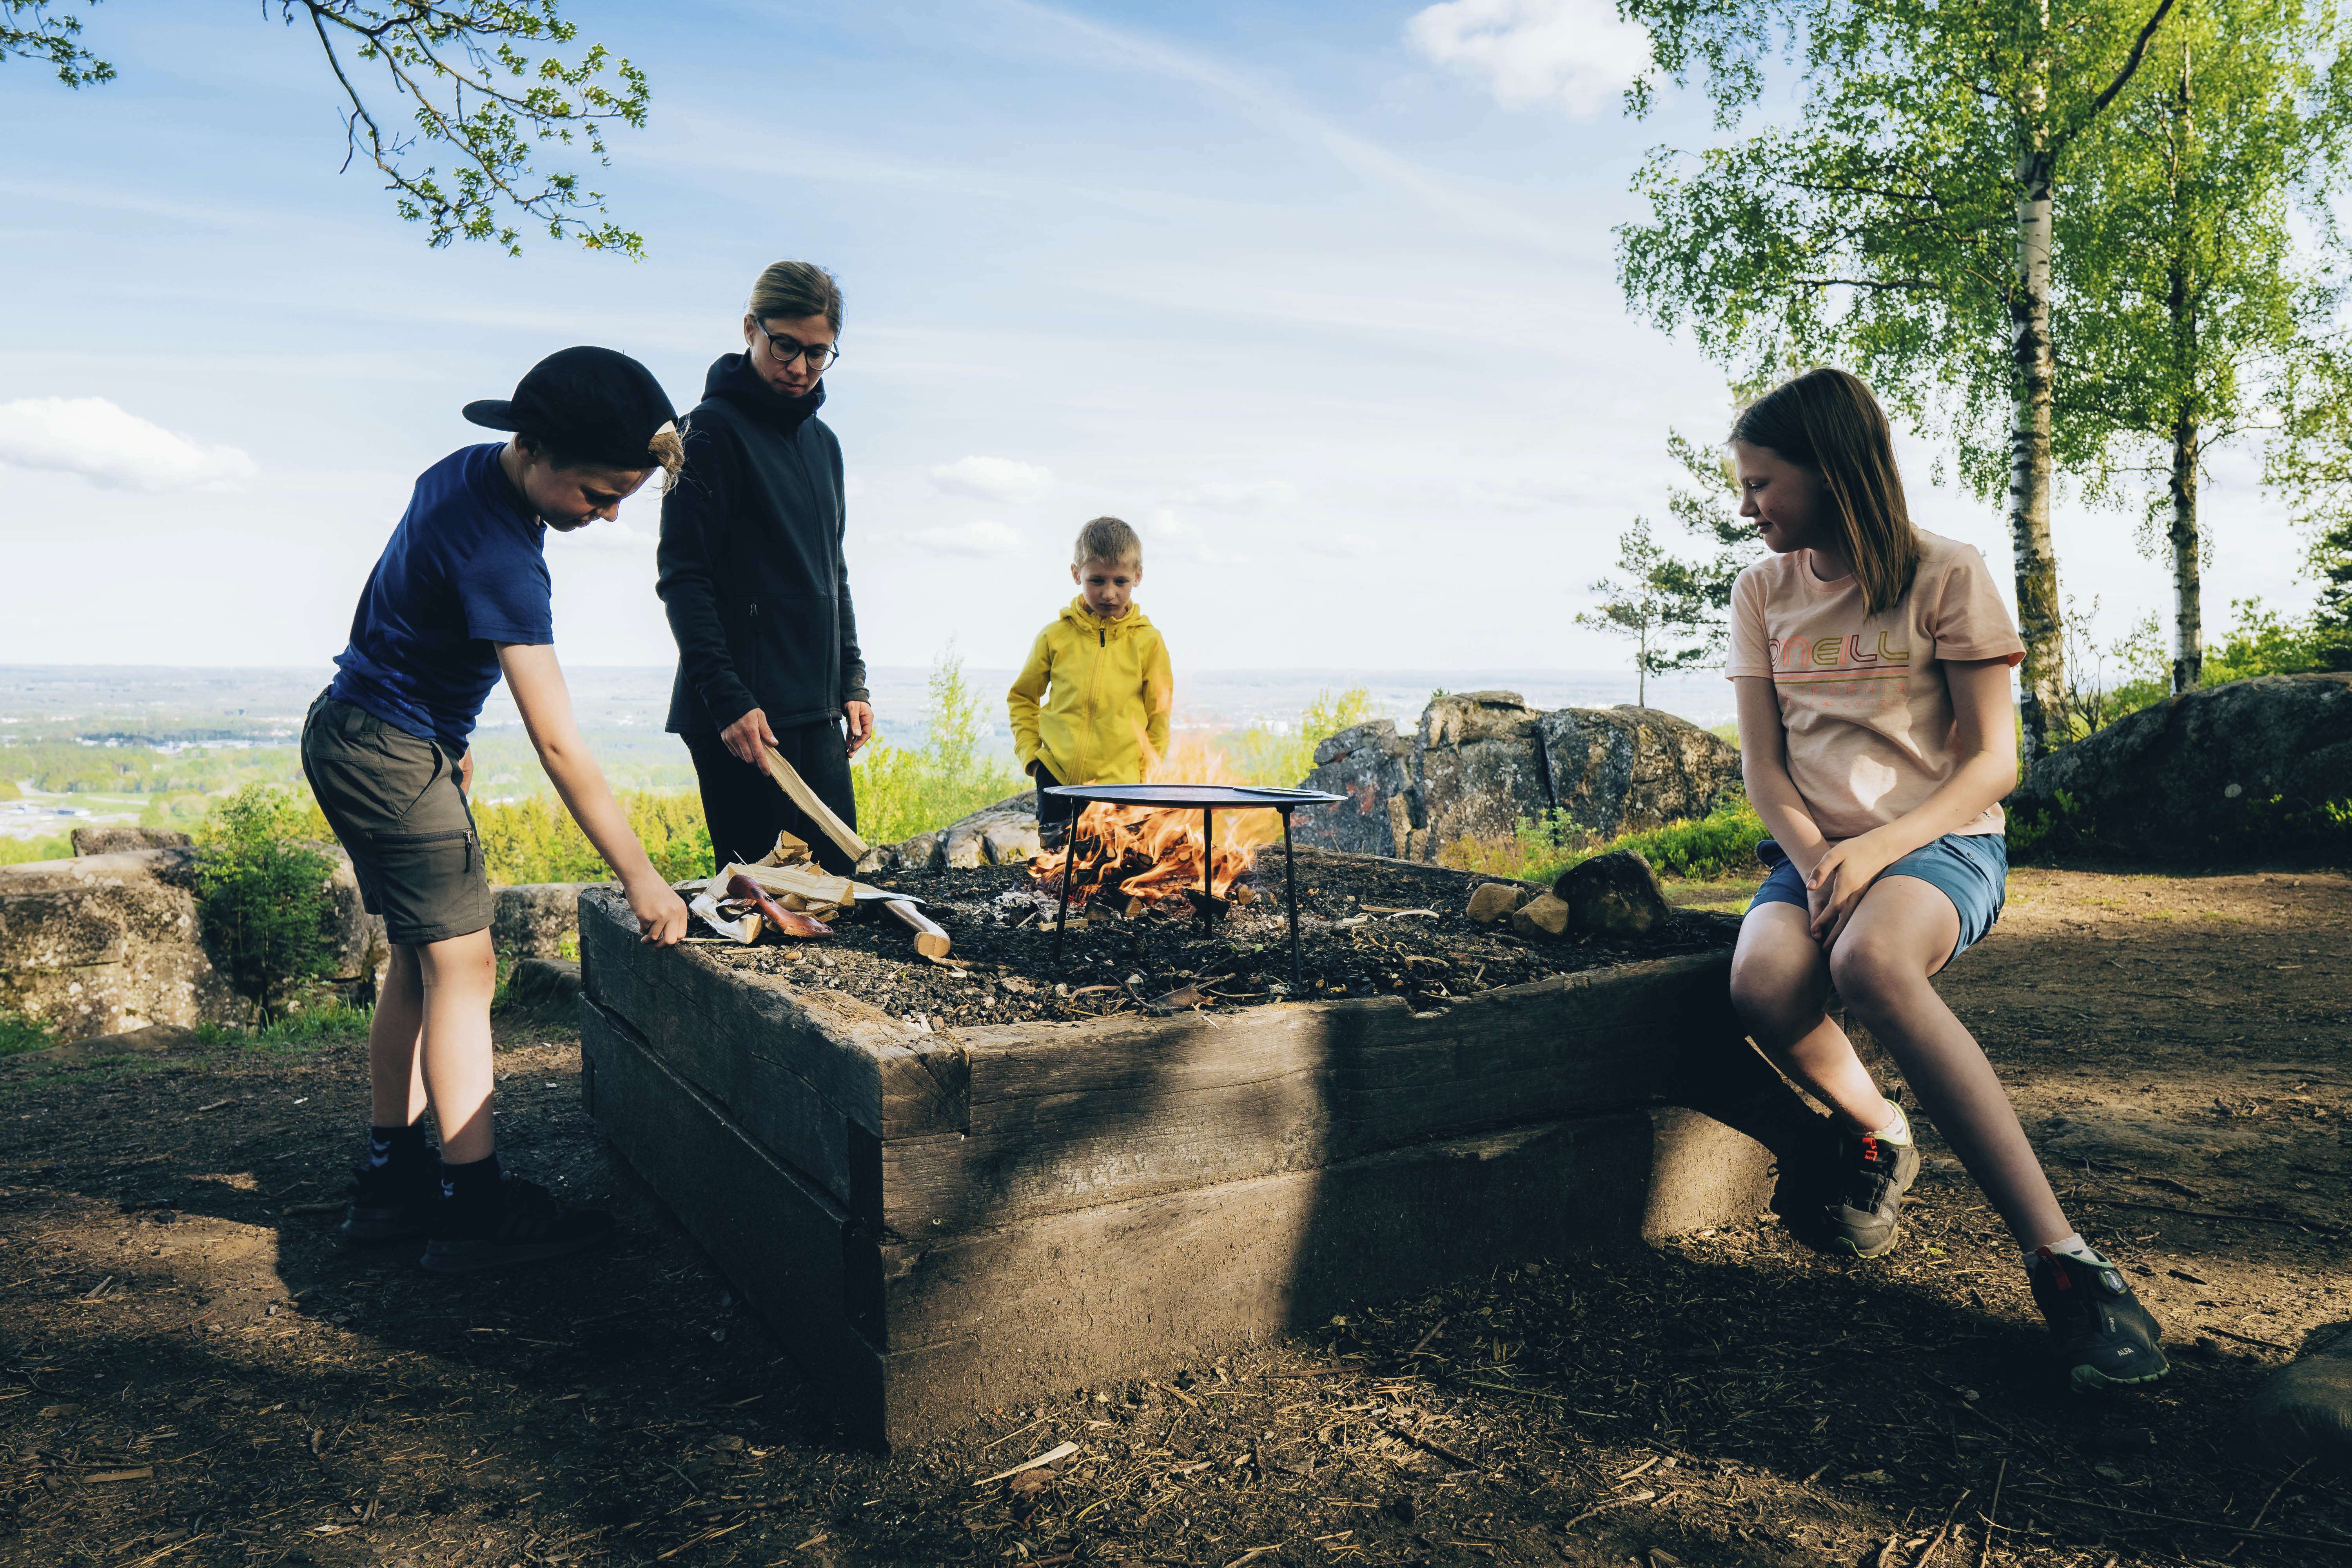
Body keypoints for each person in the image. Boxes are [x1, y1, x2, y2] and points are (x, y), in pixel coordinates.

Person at [1722, 367, 2169, 1390]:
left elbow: (1992, 761)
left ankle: (2068, 1265)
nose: (1746, 509)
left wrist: (1877, 851)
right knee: (1761, 983)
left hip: (1940, 842)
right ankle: (1879, 1128)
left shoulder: (1948, 574)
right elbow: (1763, 767)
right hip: (1813, 851)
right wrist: (1813, 857)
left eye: (1761, 485)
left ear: (1831, 474)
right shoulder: (1762, 592)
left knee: (1876, 962)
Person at [304, 345, 692, 1275]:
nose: (602, 517)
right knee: (468, 966)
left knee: (421, 957)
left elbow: (392, 601)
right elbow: (558, 741)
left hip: (363, 729)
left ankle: (392, 1179)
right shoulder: (505, 557)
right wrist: (640, 874)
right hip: (393, 750)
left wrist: (447, 729)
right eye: (597, 494)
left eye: (620, 501)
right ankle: (471, 1206)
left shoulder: (462, 473)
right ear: (536, 448)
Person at [657, 261, 871, 876]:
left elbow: (834, 572)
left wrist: (851, 681)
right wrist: (729, 703)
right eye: (785, 347)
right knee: (766, 901)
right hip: (741, 718)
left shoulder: (824, 444)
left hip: (815, 709)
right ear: (751, 328)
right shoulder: (705, 435)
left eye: (818, 353)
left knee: (837, 889)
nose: (800, 368)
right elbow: (683, 579)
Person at [1007, 516, 1174, 848]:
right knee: (1057, 876)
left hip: (1121, 790)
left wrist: (1145, 777)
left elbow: (1159, 716)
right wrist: (1034, 758)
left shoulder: (1149, 642)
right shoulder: (1055, 637)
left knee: (1114, 878)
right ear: (1076, 574)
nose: (1109, 593)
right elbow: (1023, 698)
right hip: (1057, 781)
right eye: (1097, 580)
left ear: (1138, 577)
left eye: (1121, 581)